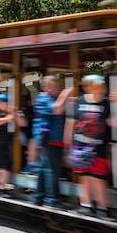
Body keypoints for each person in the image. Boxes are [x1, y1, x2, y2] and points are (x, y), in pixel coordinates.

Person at [66, 74, 113, 220]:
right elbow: (72, 122)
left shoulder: (107, 103)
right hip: (80, 146)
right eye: (92, 86)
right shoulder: (79, 101)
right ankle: (85, 206)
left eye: (99, 86)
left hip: (98, 147)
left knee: (98, 178)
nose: (96, 89)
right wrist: (67, 143)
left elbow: (114, 122)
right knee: (85, 177)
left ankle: (102, 209)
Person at [30, 76, 74, 208]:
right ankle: (52, 199)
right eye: (55, 86)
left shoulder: (51, 98)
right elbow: (57, 109)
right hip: (50, 139)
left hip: (53, 139)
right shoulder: (43, 98)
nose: (57, 89)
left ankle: (38, 197)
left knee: (44, 169)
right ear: (47, 87)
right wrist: (66, 93)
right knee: (52, 170)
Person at [0, 93, 25, 198]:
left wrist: (15, 114)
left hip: (9, 142)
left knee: (5, 167)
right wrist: (8, 118)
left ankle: (2, 188)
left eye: (0, 103)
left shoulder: (14, 110)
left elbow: (23, 123)